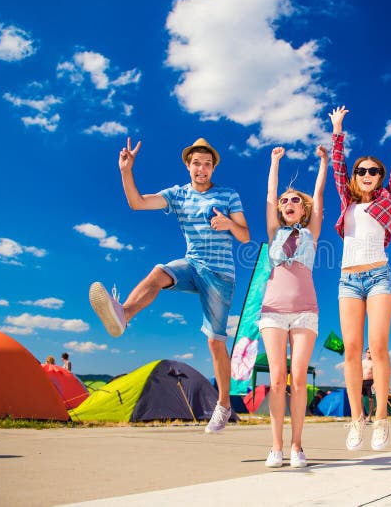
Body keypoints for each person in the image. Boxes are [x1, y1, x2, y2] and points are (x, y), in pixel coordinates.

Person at [88, 136, 250, 435]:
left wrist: (229, 224)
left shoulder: (228, 194)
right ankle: (123, 315)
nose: (202, 169)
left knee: (215, 342)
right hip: (192, 264)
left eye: (207, 164)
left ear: (214, 168)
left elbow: (244, 236)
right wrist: (126, 171)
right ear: (188, 166)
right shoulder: (178, 195)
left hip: (220, 275)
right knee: (158, 272)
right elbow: (137, 203)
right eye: (196, 163)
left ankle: (224, 405)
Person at [329, 92, 391, 451]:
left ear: (380, 178)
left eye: (374, 171)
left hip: (379, 276)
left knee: (378, 348)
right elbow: (337, 164)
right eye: (361, 171)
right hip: (348, 280)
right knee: (351, 351)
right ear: (355, 177)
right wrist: (337, 130)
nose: (367, 175)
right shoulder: (346, 201)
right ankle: (357, 420)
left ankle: (381, 418)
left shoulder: (387, 198)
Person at [259, 144, 328, 469]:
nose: (288, 203)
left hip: (305, 312)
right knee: (276, 380)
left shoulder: (311, 233)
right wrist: (274, 162)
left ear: (304, 209)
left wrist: (324, 163)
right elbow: (271, 196)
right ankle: (276, 447)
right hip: (272, 311)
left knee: (298, 379)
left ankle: (297, 446)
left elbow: (319, 193)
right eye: (285, 201)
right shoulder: (274, 232)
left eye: (295, 201)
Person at [361, 348, 375, 420]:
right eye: (368, 352)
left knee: (370, 400)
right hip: (361, 381)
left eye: (371, 352)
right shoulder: (362, 362)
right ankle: (362, 415)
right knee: (360, 398)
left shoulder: (374, 362)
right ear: (365, 353)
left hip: (370, 382)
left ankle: (369, 416)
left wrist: (374, 383)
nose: (369, 354)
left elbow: (376, 374)